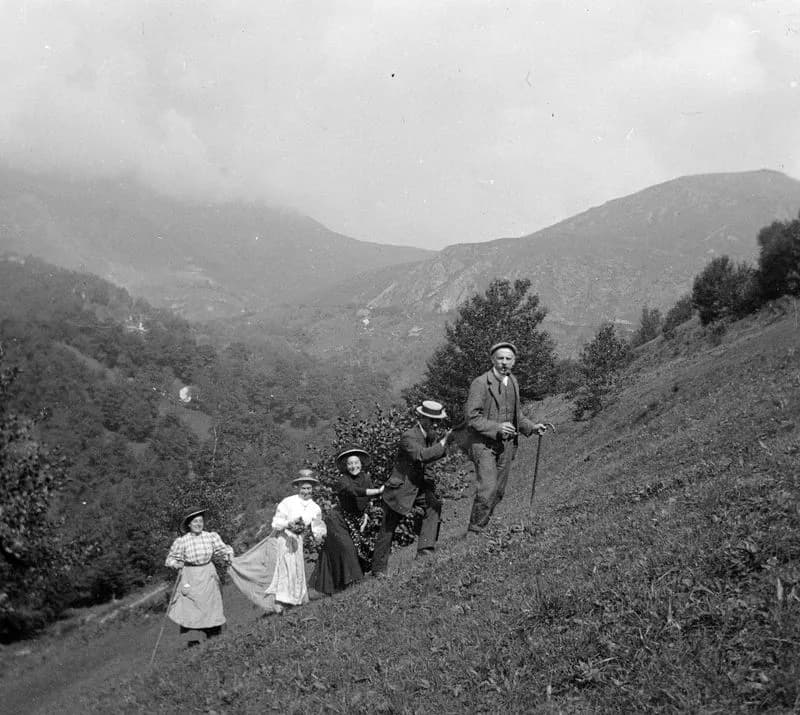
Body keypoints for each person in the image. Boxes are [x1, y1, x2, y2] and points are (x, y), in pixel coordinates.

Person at [464, 341, 547, 534]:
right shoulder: (481, 383)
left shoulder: (513, 382)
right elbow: (472, 417)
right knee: (488, 488)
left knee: (499, 491)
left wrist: (532, 427)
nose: (504, 362)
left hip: (506, 446)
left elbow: (516, 415)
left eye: (508, 359)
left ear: (514, 361)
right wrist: (497, 427)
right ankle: (475, 531)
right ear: (493, 360)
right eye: (500, 358)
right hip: (483, 445)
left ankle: (484, 525)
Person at [371, 400, 452, 577]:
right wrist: (444, 443)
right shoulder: (409, 436)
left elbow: (429, 464)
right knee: (388, 528)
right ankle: (378, 570)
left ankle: (425, 550)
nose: (436, 424)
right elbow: (421, 456)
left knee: (434, 505)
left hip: (418, 486)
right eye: (432, 420)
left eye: (437, 420)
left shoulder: (429, 436)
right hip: (400, 488)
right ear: (422, 418)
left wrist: (430, 486)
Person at [228, 471, 327, 614]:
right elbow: (276, 522)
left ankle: (295, 599)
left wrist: (319, 536)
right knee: (282, 570)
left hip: (297, 541)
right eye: (303, 488)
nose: (306, 491)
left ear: (313, 489)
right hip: (281, 539)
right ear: (297, 487)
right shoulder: (288, 502)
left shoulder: (314, 507)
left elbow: (317, 525)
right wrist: (289, 524)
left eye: (309, 488)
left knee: (296, 569)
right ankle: (280, 604)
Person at [311, 447, 385, 595]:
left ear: (361, 463)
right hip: (337, 520)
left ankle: (343, 584)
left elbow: (367, 500)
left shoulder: (366, 477)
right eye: (350, 464)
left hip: (355, 519)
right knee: (347, 548)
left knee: (355, 549)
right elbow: (354, 492)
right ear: (346, 466)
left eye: (356, 463)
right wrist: (377, 491)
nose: (354, 466)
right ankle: (355, 581)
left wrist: (365, 515)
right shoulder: (342, 480)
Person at [165, 507, 234, 646]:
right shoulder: (182, 541)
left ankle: (214, 637)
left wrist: (229, 554)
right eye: (195, 522)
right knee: (192, 607)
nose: (198, 524)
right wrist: (176, 564)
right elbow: (169, 560)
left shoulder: (211, 536)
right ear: (189, 525)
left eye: (200, 521)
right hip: (190, 576)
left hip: (208, 573)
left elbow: (223, 550)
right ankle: (194, 641)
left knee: (211, 605)